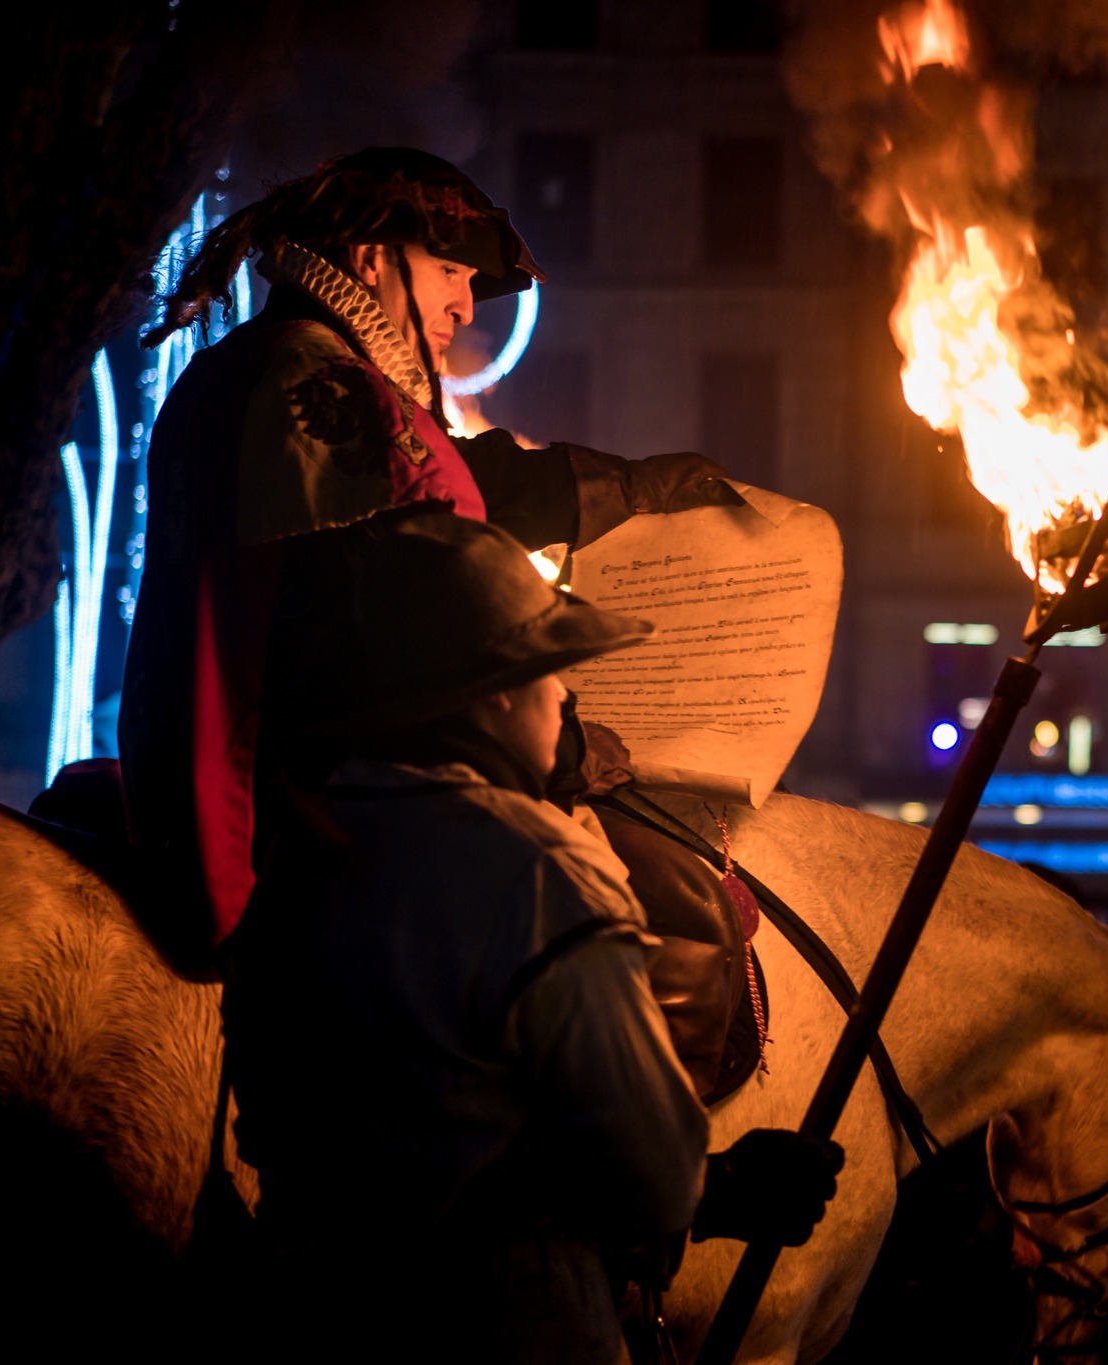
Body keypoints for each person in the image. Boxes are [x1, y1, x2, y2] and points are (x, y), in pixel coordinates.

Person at [223, 509, 841, 1362]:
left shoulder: (296, 863)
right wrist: (729, 1185)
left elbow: (266, 1133)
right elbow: (656, 1181)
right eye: (553, 670)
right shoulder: (545, 872)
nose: (565, 696)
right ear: (499, 691)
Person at [123, 148, 734, 971]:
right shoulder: (327, 382)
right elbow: (421, 629)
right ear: (372, 259)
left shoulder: (261, 366)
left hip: (216, 786)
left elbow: (443, 483)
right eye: (450, 267)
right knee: (666, 924)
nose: (467, 304)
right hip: (301, 819)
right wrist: (563, 752)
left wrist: (628, 487)